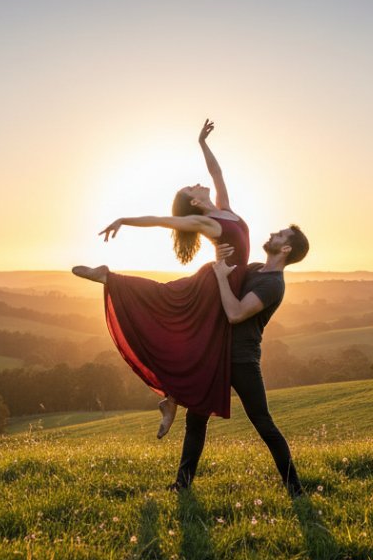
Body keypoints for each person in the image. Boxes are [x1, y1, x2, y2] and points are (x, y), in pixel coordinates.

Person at [72, 119, 249, 437]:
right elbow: (160, 220)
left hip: (224, 280)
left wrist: (203, 144)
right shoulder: (205, 221)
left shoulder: (225, 209)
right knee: (170, 313)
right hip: (214, 285)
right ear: (194, 203)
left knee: (196, 342)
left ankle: (171, 400)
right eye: (190, 188)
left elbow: (217, 173)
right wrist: (124, 219)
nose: (197, 183)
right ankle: (109, 279)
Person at [171, 225, 310, 496]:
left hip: (241, 360)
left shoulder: (273, 284)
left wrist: (222, 277)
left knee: (263, 422)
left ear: (286, 249)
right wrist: (218, 255)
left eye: (279, 235)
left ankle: (295, 490)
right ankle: (182, 485)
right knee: (195, 420)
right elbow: (223, 275)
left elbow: (235, 313)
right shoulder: (256, 268)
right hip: (217, 356)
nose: (272, 234)